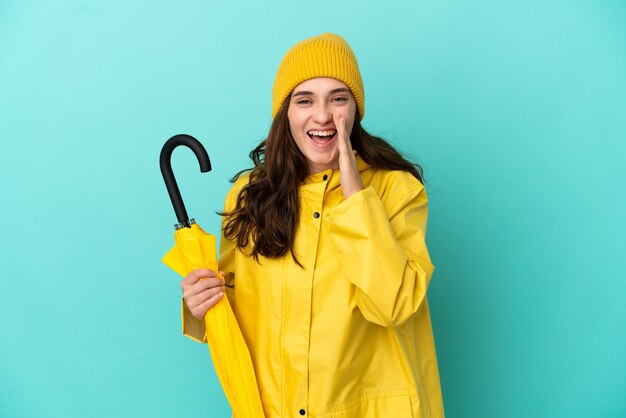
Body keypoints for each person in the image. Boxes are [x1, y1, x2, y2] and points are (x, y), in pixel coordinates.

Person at [180, 33, 444, 418]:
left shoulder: (396, 190)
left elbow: (394, 305)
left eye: (338, 98)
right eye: (305, 100)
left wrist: (356, 197)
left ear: (356, 109)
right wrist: (198, 304)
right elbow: (234, 308)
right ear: (285, 112)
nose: (323, 116)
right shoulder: (249, 194)